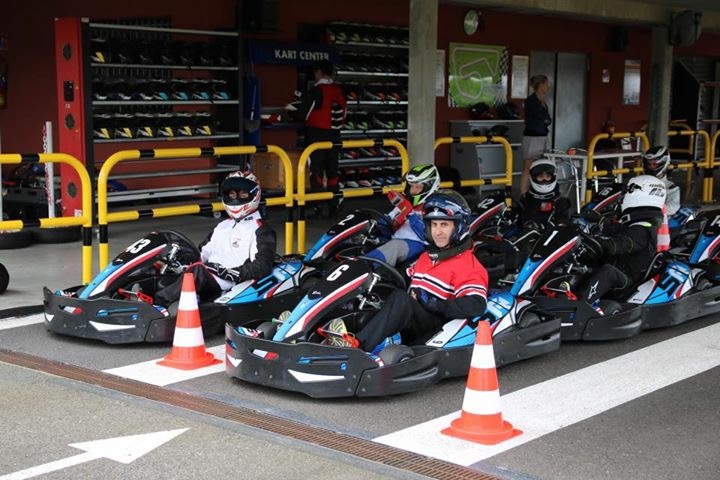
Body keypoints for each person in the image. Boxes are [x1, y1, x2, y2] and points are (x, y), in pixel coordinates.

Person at [329, 190, 489, 352]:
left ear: (458, 227)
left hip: (436, 328)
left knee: (402, 300)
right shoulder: (427, 257)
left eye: (444, 225)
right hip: (412, 320)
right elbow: (403, 276)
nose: (438, 232)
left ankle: (357, 345)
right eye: (434, 225)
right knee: (379, 292)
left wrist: (432, 303)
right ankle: (341, 330)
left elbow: (476, 305)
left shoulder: (469, 265)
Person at [154, 171, 277, 306]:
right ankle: (139, 295)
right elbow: (201, 253)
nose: (236, 198)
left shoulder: (261, 230)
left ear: (254, 195)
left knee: (197, 272)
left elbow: (262, 266)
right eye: (232, 194)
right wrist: (180, 258)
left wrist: (227, 272)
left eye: (242, 194)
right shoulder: (223, 226)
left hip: (228, 284)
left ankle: (157, 304)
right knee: (159, 261)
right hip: (207, 274)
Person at [575, 175, 666, 310]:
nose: (622, 198)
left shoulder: (643, 230)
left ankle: (579, 306)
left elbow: (618, 245)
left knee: (608, 271)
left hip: (628, 282)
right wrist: (599, 220)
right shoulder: (637, 226)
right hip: (621, 269)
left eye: (626, 193)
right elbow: (616, 229)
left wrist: (595, 241)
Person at [295, 60, 347, 216]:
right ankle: (334, 205)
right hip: (335, 136)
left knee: (316, 172)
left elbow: (302, 115)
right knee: (333, 171)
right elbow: (344, 113)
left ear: (318, 72)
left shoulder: (316, 91)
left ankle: (317, 206)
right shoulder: (339, 90)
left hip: (317, 136)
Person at [364, 164, 441, 266]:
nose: (413, 191)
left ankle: (362, 268)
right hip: (394, 239)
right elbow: (387, 221)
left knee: (394, 246)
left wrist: (409, 213)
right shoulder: (405, 204)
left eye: (418, 187)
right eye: (411, 186)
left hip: (418, 244)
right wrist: (374, 227)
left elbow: (429, 235)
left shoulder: (435, 207)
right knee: (362, 234)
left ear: (430, 186)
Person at [516, 157, 571, 227]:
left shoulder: (561, 201)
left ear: (553, 177)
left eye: (547, 176)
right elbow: (518, 222)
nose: (544, 180)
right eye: (541, 177)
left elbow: (563, 222)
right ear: (533, 177)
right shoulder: (526, 200)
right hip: (529, 232)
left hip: (552, 232)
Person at [520, 74, 552, 194]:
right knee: (528, 166)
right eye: (546, 84)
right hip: (532, 137)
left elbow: (547, 119)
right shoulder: (531, 101)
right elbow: (540, 118)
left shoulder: (543, 101)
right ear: (540, 85)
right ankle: (523, 193)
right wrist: (545, 120)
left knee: (542, 166)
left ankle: (539, 190)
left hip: (543, 136)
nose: (548, 87)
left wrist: (546, 120)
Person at [642, 145, 680, 216]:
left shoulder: (670, 187)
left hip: (658, 219)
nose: (651, 167)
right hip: (638, 217)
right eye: (649, 164)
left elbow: (673, 207)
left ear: (663, 163)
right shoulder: (640, 182)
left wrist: (651, 210)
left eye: (654, 164)